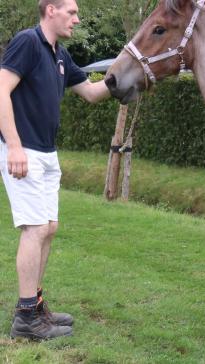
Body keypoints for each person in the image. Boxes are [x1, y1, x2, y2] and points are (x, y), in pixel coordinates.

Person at [0, 0, 110, 340]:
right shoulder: (28, 42)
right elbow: (1, 89)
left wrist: (131, 72)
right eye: (72, 12)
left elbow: (92, 92)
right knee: (34, 229)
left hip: (48, 154)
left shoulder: (59, 55)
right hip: (24, 151)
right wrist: (14, 145)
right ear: (51, 10)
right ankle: (25, 317)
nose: (77, 19)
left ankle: (35, 305)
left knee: (48, 228)